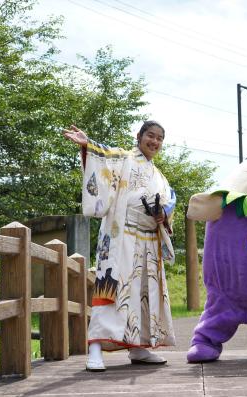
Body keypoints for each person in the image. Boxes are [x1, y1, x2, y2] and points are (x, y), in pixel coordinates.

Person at [63, 121, 177, 372]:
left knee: (143, 294)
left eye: (159, 138)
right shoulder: (123, 158)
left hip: (148, 240)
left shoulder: (159, 175)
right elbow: (104, 157)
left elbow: (171, 199)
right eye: (150, 136)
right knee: (111, 289)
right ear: (139, 136)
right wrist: (88, 145)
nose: (154, 142)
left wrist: (163, 214)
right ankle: (95, 346)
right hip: (120, 235)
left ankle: (138, 346)